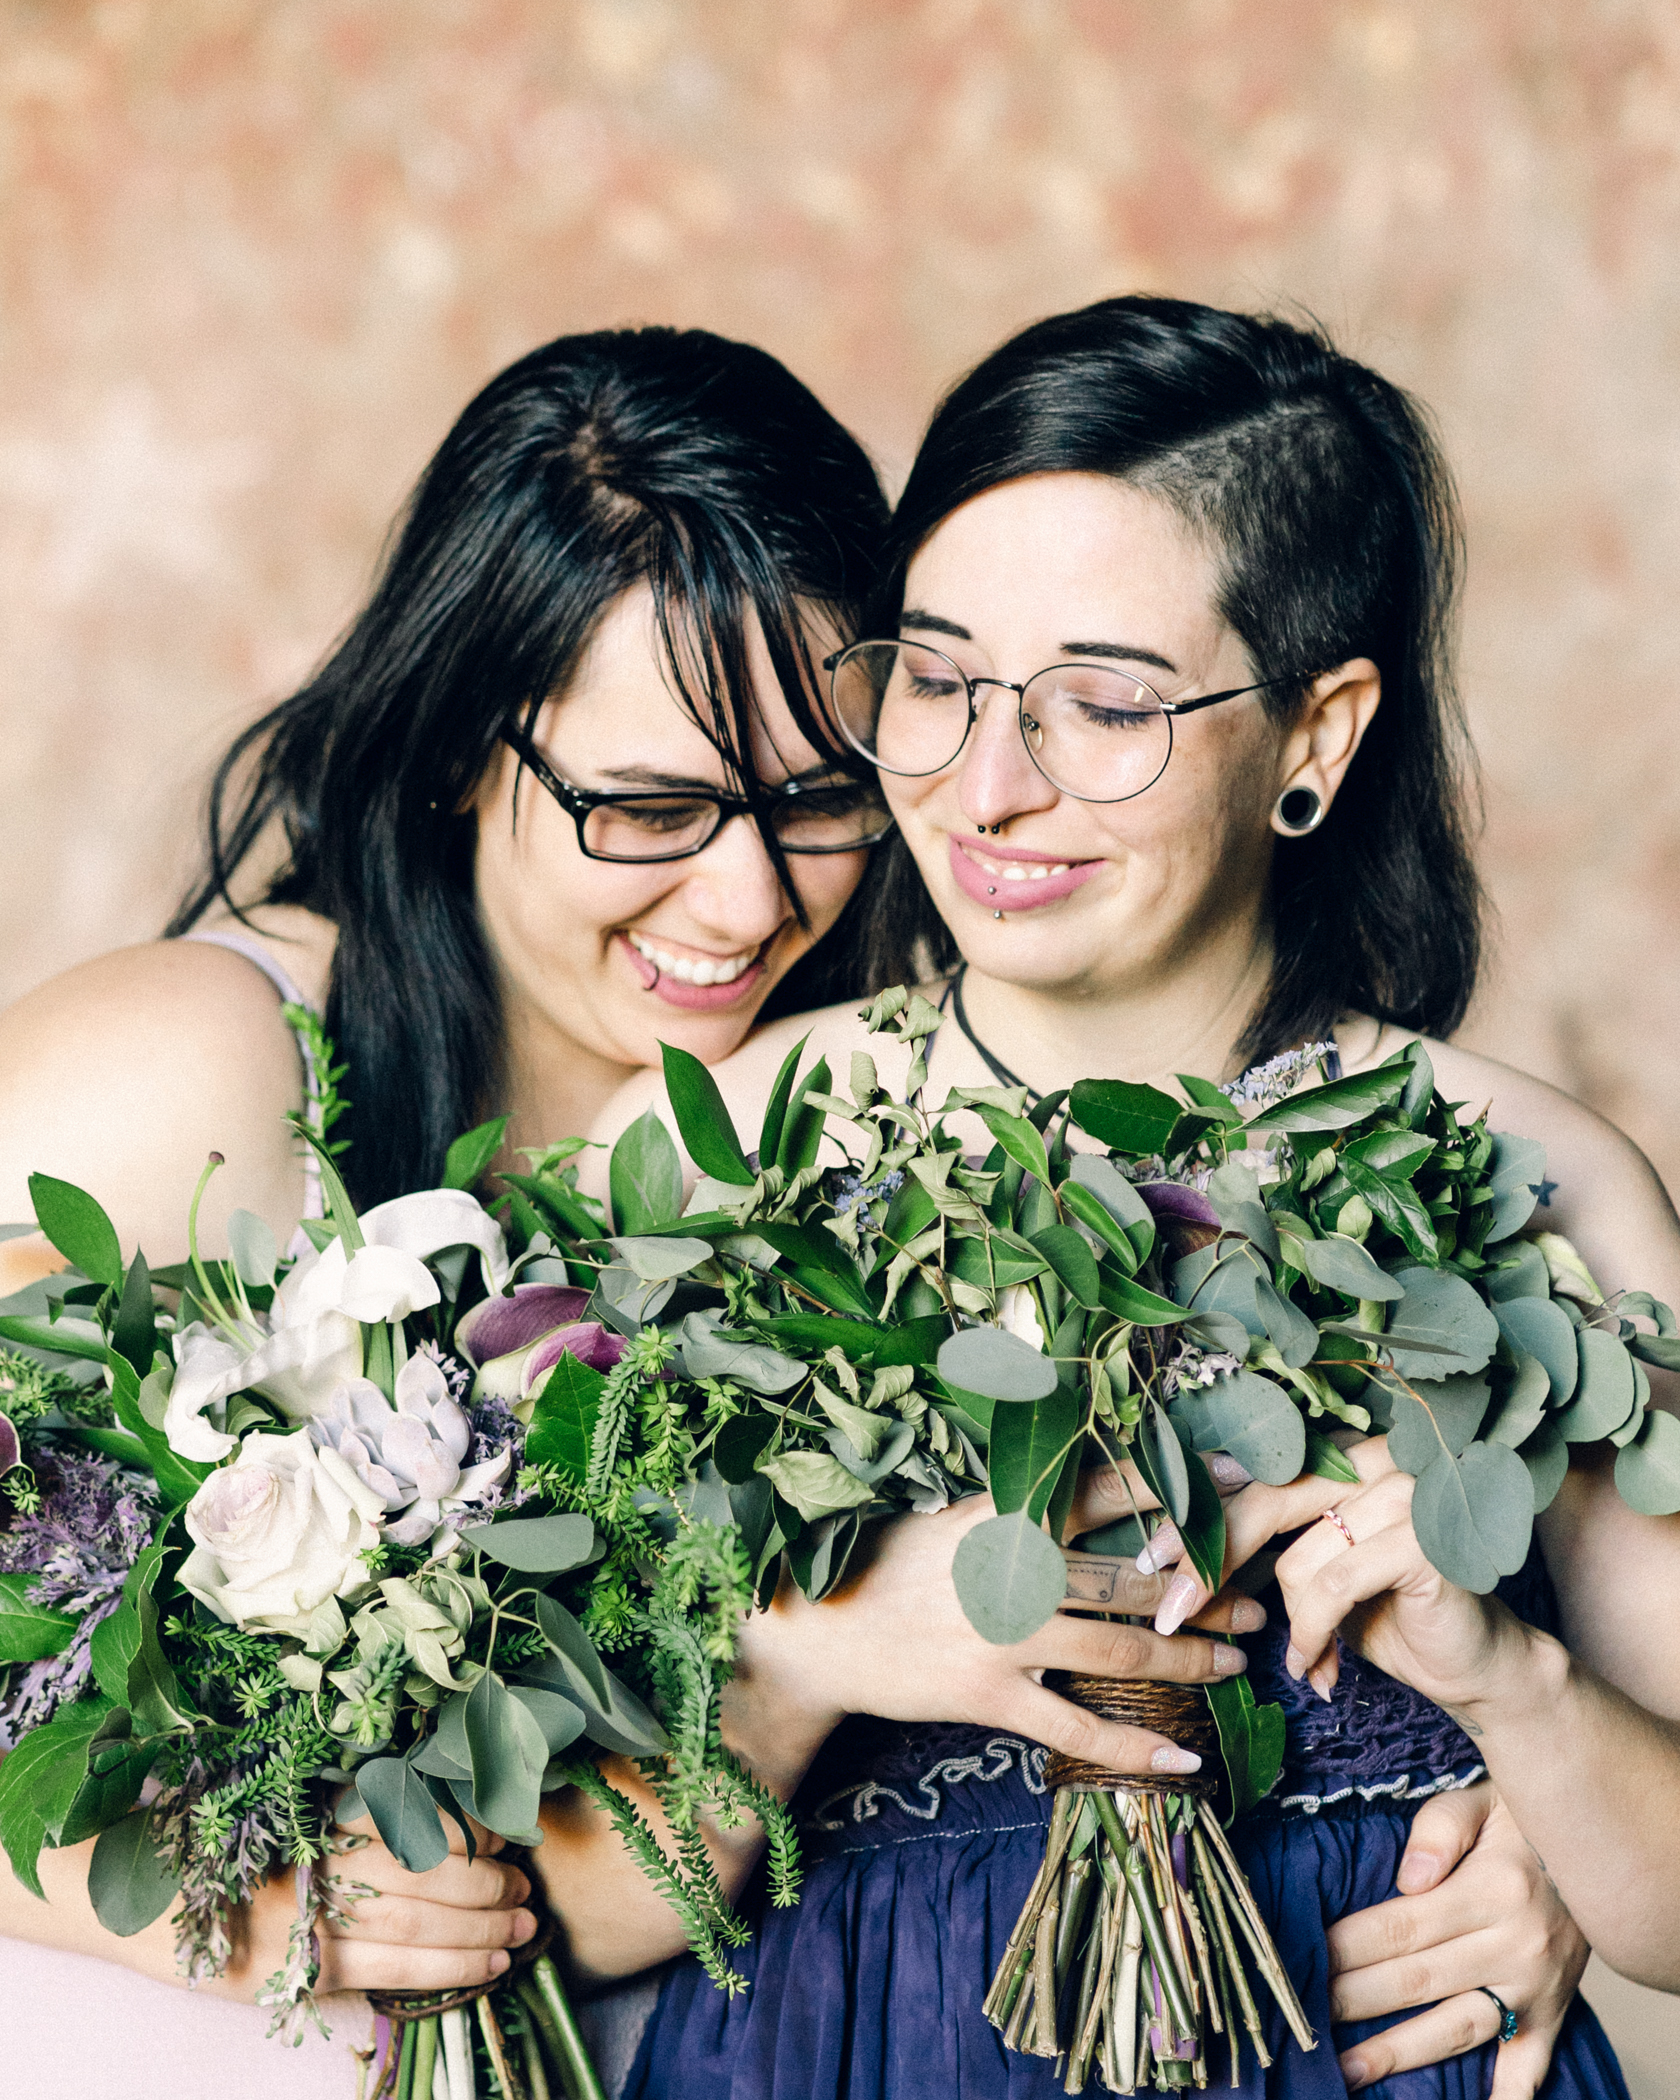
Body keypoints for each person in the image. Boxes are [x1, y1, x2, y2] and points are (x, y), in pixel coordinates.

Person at [592, 297, 1680, 2097]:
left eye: (1104, 705)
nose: (989, 788)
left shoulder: (1534, 1179)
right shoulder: (708, 1148)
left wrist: (1512, 1690)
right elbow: (578, 1890)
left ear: (1318, 734)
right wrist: (808, 1658)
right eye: (934, 682)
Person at [0, 324, 903, 2092]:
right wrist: (222, 1899)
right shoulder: (210, 1065)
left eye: (820, 797)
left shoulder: (881, 1151)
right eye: (648, 807)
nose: (749, 894)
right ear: (460, 751)